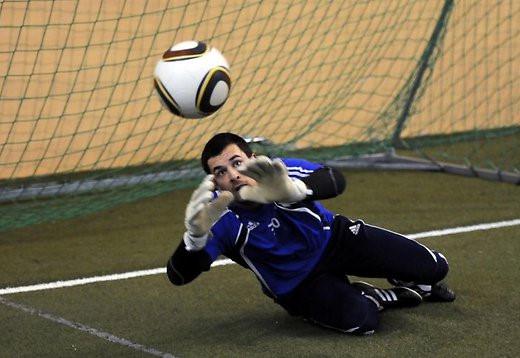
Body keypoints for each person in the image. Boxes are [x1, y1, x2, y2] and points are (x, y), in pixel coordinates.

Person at [166, 132, 455, 335]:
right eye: (220, 172)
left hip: (337, 240)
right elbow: (179, 275)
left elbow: (334, 180)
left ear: (253, 158)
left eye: (237, 162)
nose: (232, 175)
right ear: (215, 183)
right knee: (363, 321)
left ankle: (408, 277)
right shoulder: (221, 219)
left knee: (436, 267)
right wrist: (193, 239)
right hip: (298, 285)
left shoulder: (279, 171)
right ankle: (377, 297)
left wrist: (294, 190)